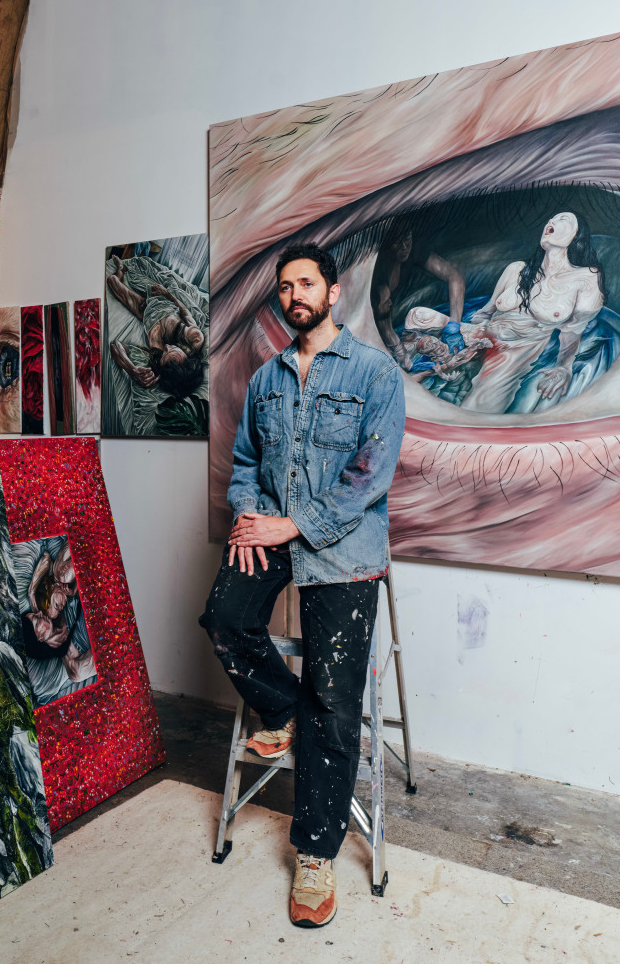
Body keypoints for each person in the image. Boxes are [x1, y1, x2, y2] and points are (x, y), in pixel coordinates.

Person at [200, 242, 405, 928]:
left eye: (306, 284)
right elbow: (246, 462)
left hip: (343, 548)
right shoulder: (266, 378)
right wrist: (248, 518)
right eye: (285, 287)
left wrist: (293, 526)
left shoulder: (375, 372)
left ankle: (315, 855)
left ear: (332, 292)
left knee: (334, 697)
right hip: (273, 531)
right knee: (225, 617)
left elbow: (369, 473)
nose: (295, 296)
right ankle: (282, 715)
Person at [456, 211, 605, 414]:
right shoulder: (516, 269)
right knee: (419, 316)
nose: (551, 221)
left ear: (575, 236)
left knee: (476, 409)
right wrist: (466, 335)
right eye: (551, 219)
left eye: (562, 219)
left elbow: (573, 331)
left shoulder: (586, 278)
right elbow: (485, 313)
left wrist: (564, 366)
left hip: (516, 351)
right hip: (482, 337)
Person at [106, 254, 206, 400]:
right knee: (137, 272)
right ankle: (123, 268)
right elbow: (185, 311)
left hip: (144, 311)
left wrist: (132, 370)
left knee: (112, 280)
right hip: (162, 301)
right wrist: (168, 294)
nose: (167, 347)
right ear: (187, 360)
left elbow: (115, 346)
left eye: (165, 353)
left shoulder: (156, 359)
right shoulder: (193, 339)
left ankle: (120, 269)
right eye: (173, 351)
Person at [370, 226, 468, 369]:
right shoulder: (375, 270)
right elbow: (381, 308)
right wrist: (396, 347)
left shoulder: (414, 250)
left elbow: (455, 275)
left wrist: (454, 325)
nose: (404, 247)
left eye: (407, 239)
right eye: (397, 242)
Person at [21, 542, 95, 705]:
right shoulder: (66, 656)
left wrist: (31, 593)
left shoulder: (46, 610)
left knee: (62, 576)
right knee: (76, 673)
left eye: (36, 614)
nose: (39, 614)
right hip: (90, 629)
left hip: (83, 576)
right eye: (36, 619)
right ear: (39, 638)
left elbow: (46, 557)